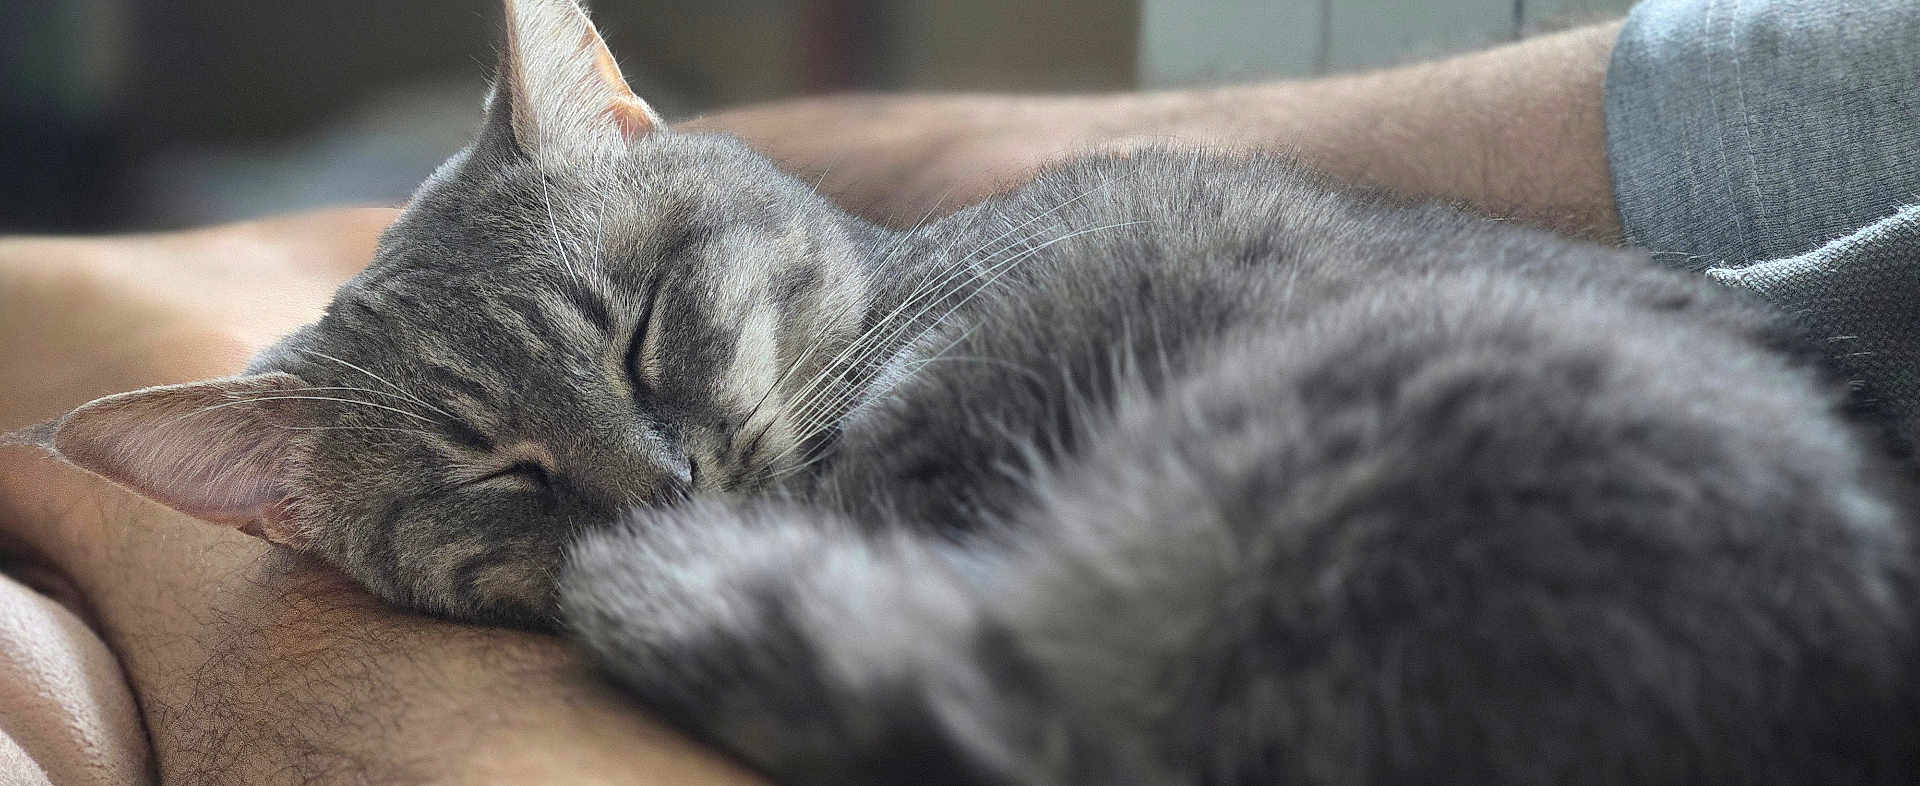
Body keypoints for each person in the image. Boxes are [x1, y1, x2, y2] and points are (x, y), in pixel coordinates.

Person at [2, 1, 1915, 782]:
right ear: (287, 506)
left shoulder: (1031, 295)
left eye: (656, 354)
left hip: (1584, 523)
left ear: (632, 125)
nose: (655, 482)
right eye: (510, 478)